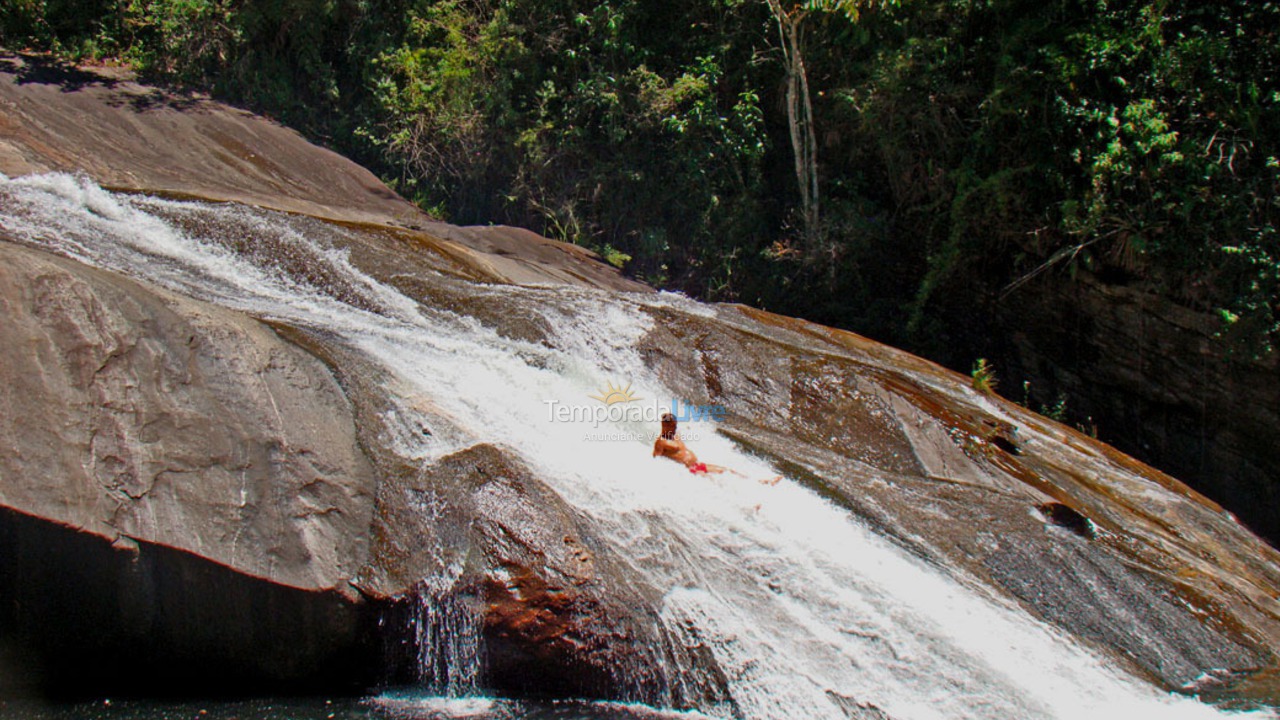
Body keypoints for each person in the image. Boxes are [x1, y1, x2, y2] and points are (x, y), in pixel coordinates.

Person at [653, 412, 780, 484]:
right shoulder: (661, 442)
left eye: (676, 425)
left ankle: (760, 482)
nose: (675, 428)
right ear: (664, 425)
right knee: (714, 481)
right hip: (690, 471)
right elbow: (656, 460)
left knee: (727, 471)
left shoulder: (675, 436)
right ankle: (743, 504)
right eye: (672, 426)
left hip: (697, 465)